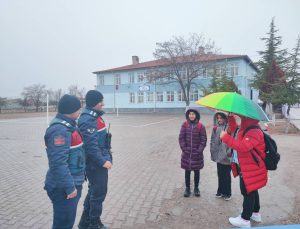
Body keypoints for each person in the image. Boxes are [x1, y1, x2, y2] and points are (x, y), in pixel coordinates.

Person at [44, 94, 85, 229]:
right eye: (79, 108)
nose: (80, 111)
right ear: (71, 110)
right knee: (63, 224)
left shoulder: (69, 125)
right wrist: (69, 187)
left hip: (71, 182)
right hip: (63, 187)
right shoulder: (59, 130)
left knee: (67, 222)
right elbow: (57, 163)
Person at [220, 113, 267, 228]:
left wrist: (225, 137)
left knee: (247, 192)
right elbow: (235, 128)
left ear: (248, 117)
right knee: (252, 189)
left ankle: (245, 220)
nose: (240, 116)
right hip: (246, 166)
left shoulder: (254, 131)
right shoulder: (245, 127)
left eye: (242, 115)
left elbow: (243, 146)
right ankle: (255, 213)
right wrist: (230, 117)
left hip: (250, 167)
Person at [78, 90, 112, 229]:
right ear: (94, 103)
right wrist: (103, 162)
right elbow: (91, 148)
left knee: (94, 192)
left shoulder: (94, 116)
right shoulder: (88, 119)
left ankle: (84, 223)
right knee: (98, 194)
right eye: (100, 102)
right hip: (95, 164)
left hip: (98, 162)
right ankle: (94, 224)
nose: (103, 104)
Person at [179, 107, 207, 197]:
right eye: (190, 114)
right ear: (188, 115)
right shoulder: (184, 125)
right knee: (187, 171)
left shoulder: (200, 126)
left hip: (197, 154)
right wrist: (184, 148)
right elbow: (181, 138)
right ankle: (187, 188)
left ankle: (196, 188)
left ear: (196, 115)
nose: (191, 116)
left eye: (193, 114)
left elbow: (203, 140)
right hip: (186, 153)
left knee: (197, 171)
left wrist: (199, 150)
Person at [210, 112, 232, 201]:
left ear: (225, 118)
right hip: (218, 155)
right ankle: (220, 190)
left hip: (226, 156)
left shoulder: (229, 128)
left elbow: (232, 141)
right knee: (220, 174)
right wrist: (212, 149)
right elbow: (212, 139)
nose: (219, 120)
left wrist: (228, 152)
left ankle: (227, 193)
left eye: (221, 118)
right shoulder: (216, 128)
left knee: (226, 175)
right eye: (218, 118)